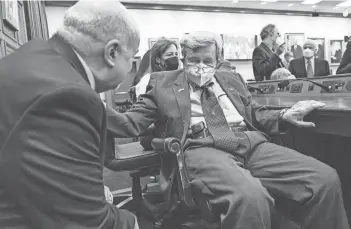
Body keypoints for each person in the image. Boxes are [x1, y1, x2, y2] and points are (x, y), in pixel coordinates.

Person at [106, 31, 349, 229]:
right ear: (183, 60)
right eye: (193, 60)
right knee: (250, 199)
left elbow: (253, 112)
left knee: (324, 179)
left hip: (249, 142)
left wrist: (284, 114)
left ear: (217, 60)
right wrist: (94, 106)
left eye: (207, 61)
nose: (200, 67)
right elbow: (131, 123)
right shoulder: (162, 83)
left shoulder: (230, 78)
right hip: (202, 147)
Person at [0, 1, 140, 229]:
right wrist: (131, 222)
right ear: (112, 52)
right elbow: (88, 222)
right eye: (132, 56)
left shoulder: (35, 55)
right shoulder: (69, 96)